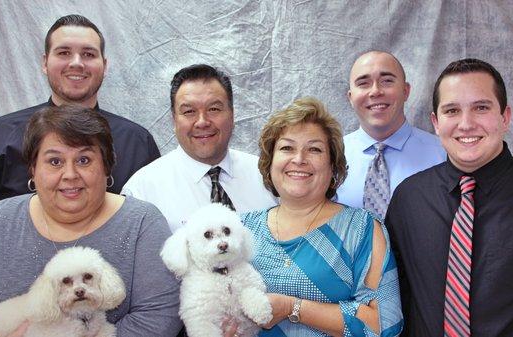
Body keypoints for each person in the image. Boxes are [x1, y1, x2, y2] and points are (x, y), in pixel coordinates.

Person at [0, 105, 182, 337]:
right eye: (55, 162)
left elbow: (159, 316)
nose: (70, 174)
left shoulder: (142, 223)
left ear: (106, 165)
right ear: (32, 169)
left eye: (84, 160)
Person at [385, 58, 513, 336]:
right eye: (452, 110)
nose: (466, 124)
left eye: (481, 108)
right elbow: (394, 298)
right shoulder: (409, 198)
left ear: (505, 117)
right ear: (436, 123)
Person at [0, 14, 160, 242]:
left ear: (105, 65)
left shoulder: (138, 142)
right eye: (63, 53)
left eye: (89, 54)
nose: (76, 63)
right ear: (44, 63)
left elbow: (153, 233)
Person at [241, 97, 403, 336]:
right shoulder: (240, 229)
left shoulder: (362, 229)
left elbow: (385, 324)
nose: (299, 159)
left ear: (332, 165)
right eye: (287, 148)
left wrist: (293, 307)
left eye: (314, 149)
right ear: (269, 162)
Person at [122, 64, 276, 232]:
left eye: (213, 109)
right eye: (189, 111)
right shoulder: (142, 190)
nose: (202, 122)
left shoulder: (267, 176)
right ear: (174, 120)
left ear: (232, 115)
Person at [336, 50, 445, 219]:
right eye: (363, 83)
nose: (375, 91)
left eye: (387, 81)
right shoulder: (331, 156)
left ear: (406, 91)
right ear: (350, 97)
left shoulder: (443, 154)